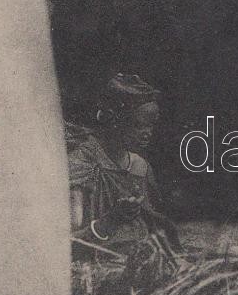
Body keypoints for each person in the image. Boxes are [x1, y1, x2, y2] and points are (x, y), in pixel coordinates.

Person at [67, 73, 181, 260]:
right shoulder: (81, 165)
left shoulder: (140, 167)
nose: (147, 134)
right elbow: (68, 246)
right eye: (138, 125)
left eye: (151, 126)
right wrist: (111, 220)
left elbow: (153, 229)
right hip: (97, 270)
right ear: (112, 120)